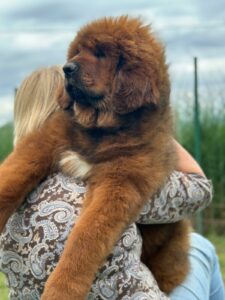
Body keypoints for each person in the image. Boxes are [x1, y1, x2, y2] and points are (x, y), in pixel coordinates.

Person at [0, 66, 224, 300]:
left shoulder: (11, 195)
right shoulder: (109, 182)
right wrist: (145, 124)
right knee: (202, 248)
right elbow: (199, 186)